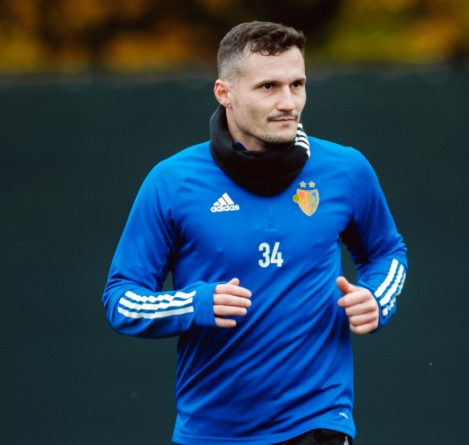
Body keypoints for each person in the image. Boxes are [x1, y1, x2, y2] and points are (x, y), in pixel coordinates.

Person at [102, 21, 407, 445]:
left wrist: (376, 298)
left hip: (319, 421)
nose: (288, 103)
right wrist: (194, 303)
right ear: (224, 93)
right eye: (268, 87)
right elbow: (121, 300)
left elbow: (387, 252)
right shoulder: (172, 182)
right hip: (212, 432)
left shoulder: (346, 169)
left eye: (297, 84)